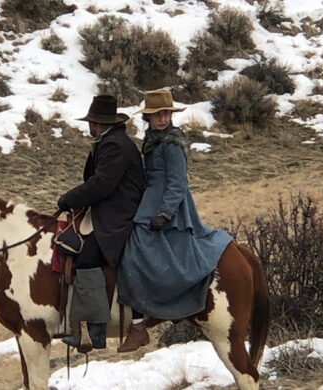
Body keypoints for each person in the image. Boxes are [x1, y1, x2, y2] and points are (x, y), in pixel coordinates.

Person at [116, 89, 233, 353]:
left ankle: (140, 324)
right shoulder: (153, 139)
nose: (162, 119)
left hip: (168, 208)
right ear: (149, 117)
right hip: (148, 202)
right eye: (157, 114)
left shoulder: (172, 143)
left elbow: (177, 182)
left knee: (136, 251)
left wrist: (166, 212)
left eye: (166, 113)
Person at [57, 95, 145, 352]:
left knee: (87, 254)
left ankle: (95, 331)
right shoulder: (109, 142)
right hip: (111, 208)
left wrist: (69, 199)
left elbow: (102, 184)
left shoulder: (114, 145)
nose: (90, 126)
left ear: (100, 123)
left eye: (93, 122)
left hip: (119, 214)